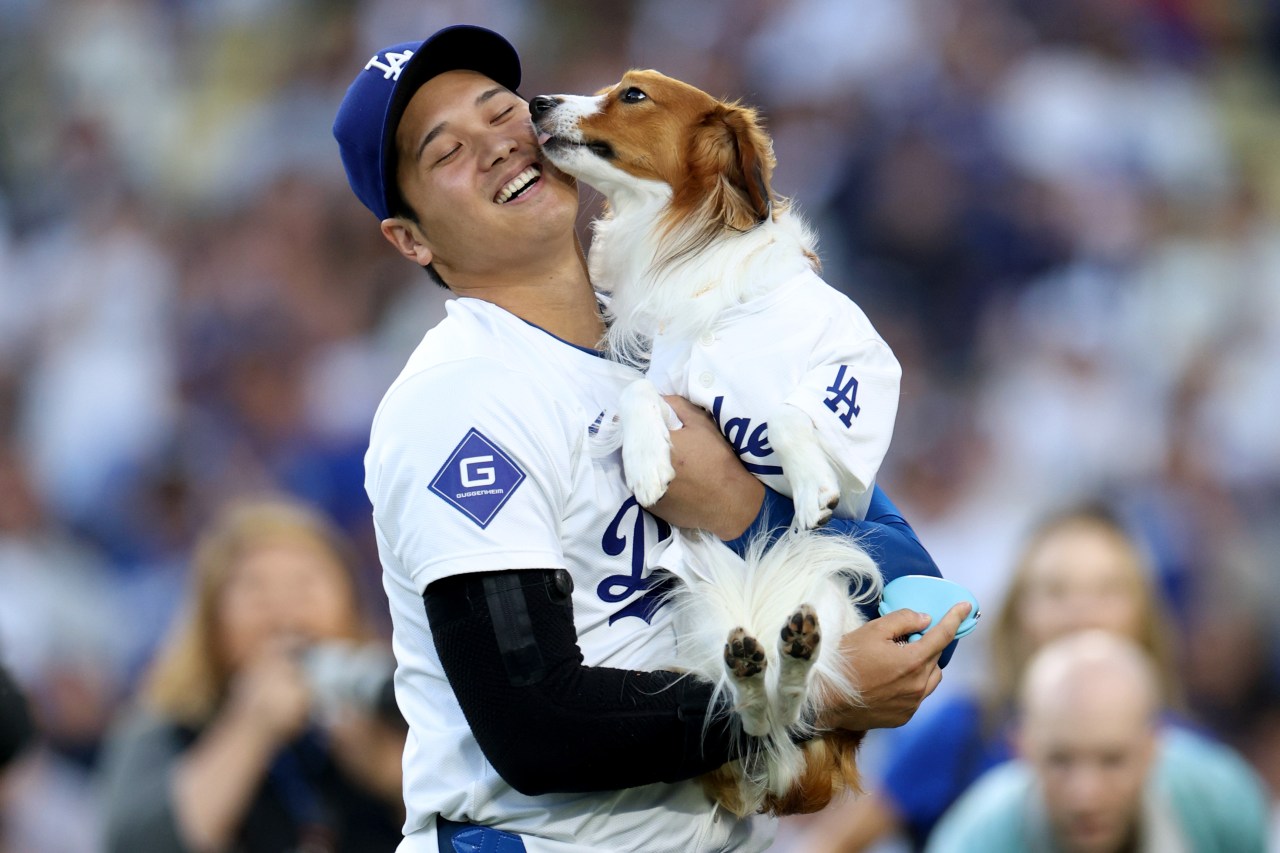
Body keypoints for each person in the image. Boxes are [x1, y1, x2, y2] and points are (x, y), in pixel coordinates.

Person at [331, 24, 971, 853]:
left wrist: (747, 510)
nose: (495, 146)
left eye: (500, 113)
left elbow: (912, 594)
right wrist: (810, 695)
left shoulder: (683, 331)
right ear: (410, 239)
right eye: (445, 151)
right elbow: (535, 721)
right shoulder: (462, 395)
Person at [799, 504, 1184, 851]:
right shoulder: (963, 732)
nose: (1081, 612)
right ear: (1017, 612)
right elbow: (829, 844)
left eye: (1108, 590)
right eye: (1056, 591)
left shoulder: (1191, 757)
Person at [98, 498, 407, 853]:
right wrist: (252, 727)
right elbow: (136, 843)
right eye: (255, 588)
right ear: (211, 621)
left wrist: (391, 777)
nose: (282, 608)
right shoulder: (165, 726)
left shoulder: (394, 707)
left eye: (305, 584)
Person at [925, 630, 1270, 853]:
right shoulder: (972, 840)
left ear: (1154, 747)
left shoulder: (1225, 804)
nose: (1085, 795)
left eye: (1112, 760)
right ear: (1022, 748)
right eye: (1060, 759)